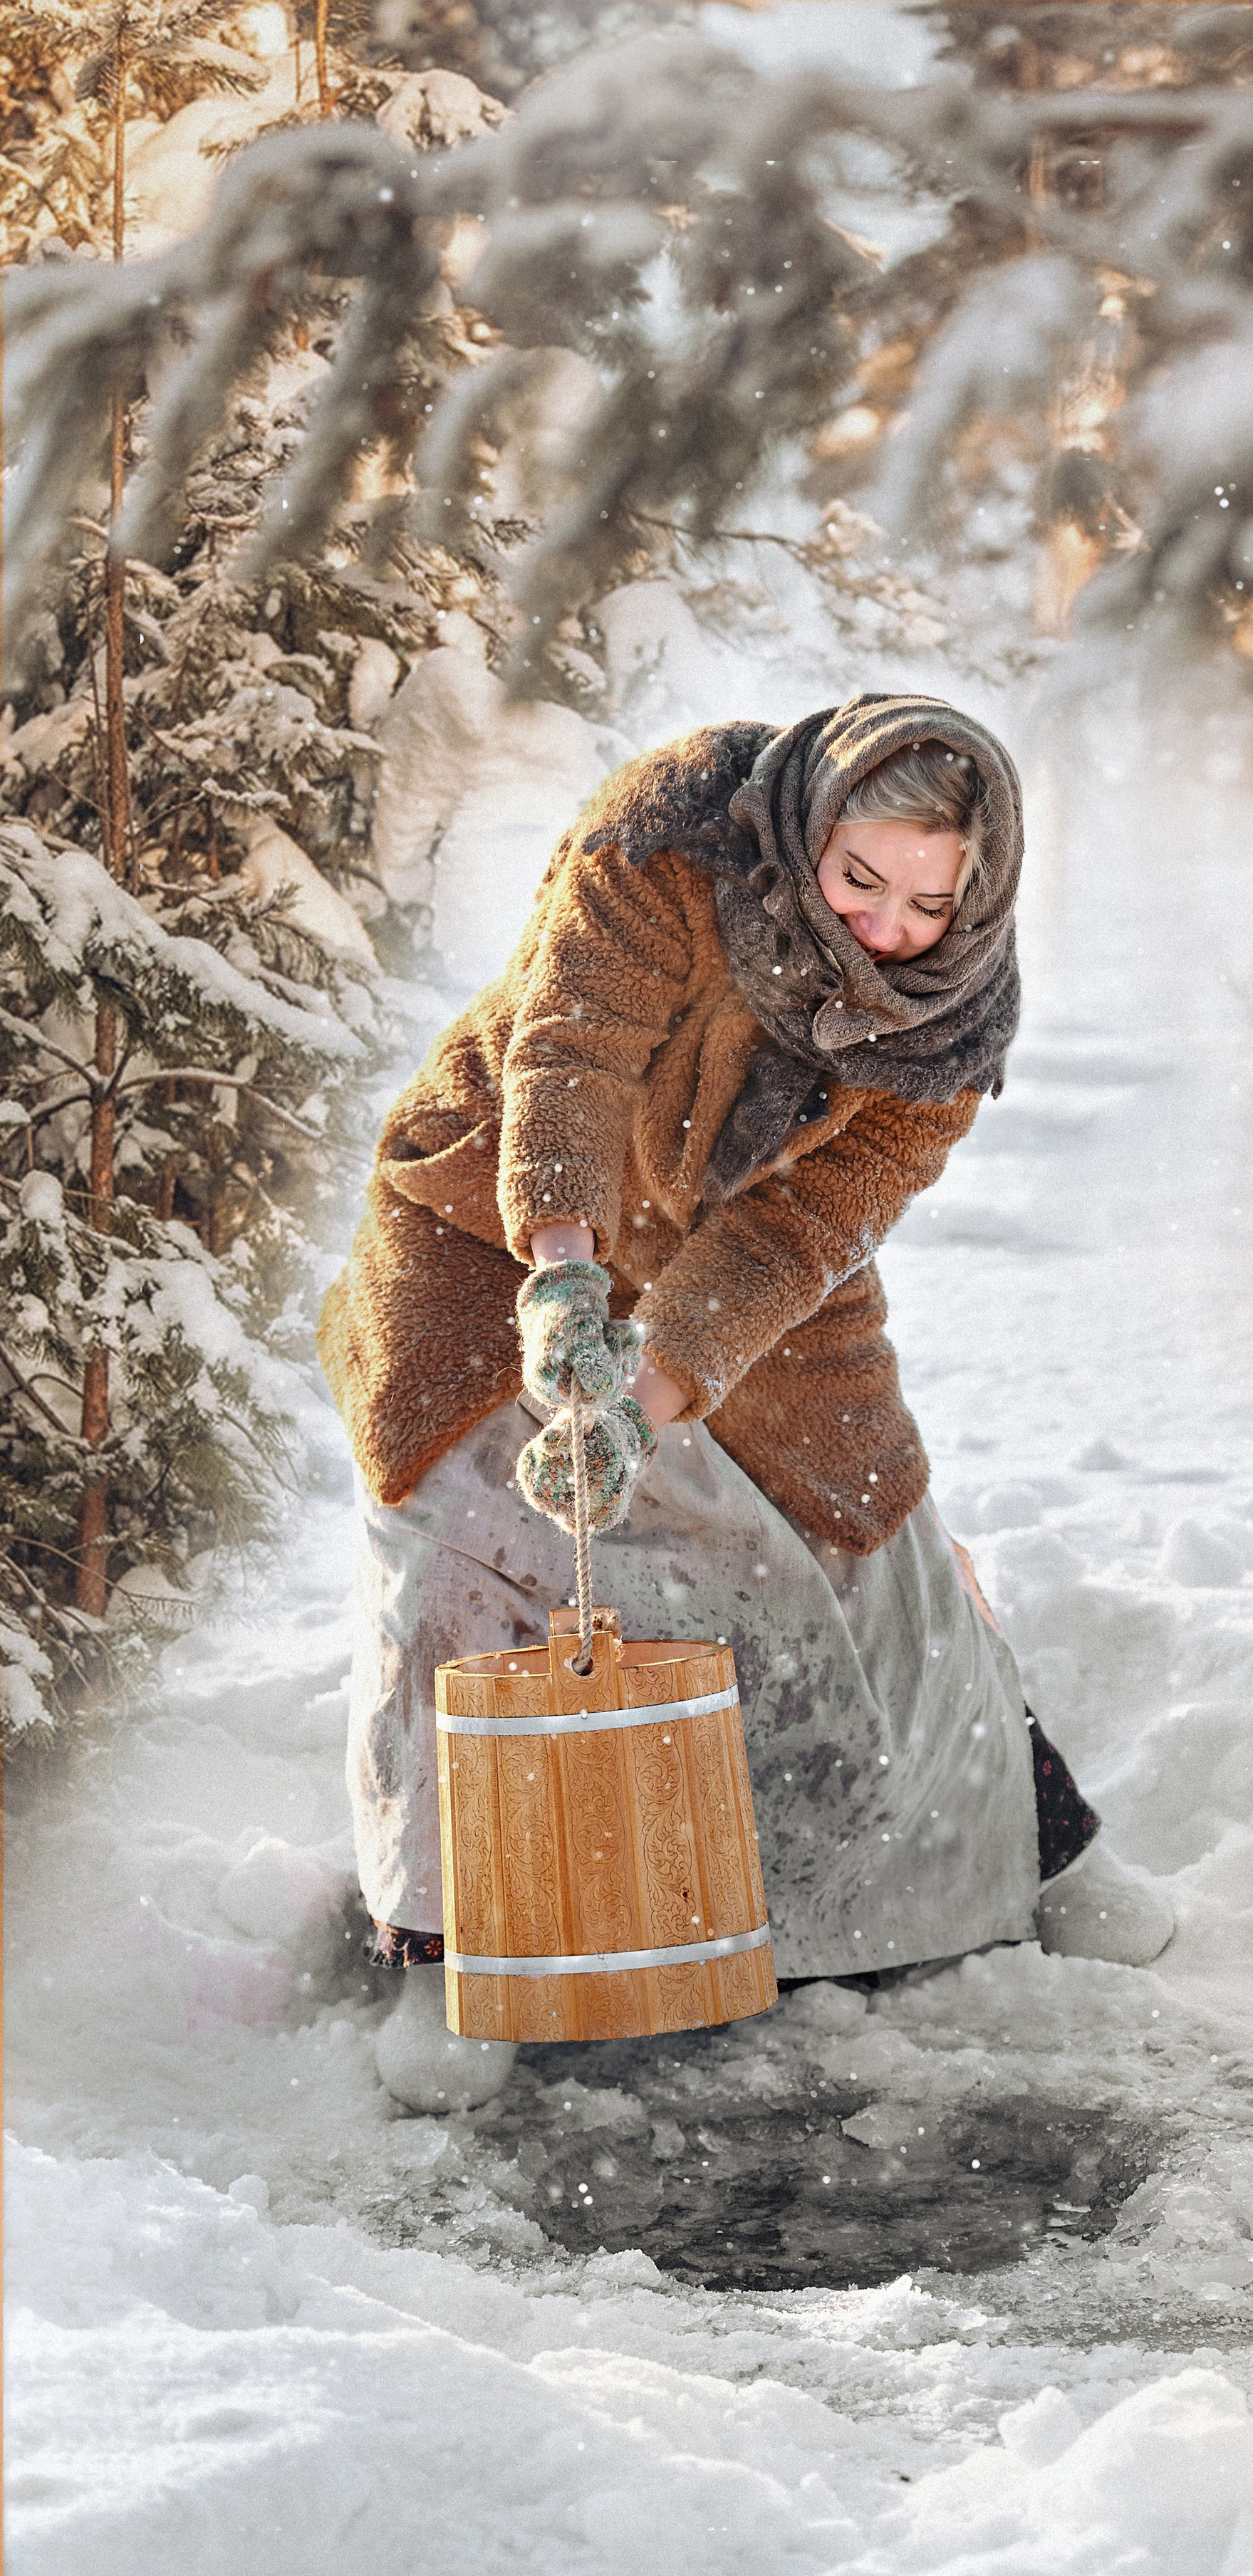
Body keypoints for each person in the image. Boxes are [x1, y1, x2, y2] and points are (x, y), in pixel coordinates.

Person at [319, 692, 1174, 2112]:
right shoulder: (671, 836)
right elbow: (570, 1059)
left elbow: (791, 1241)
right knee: (455, 1500)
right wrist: (564, 1284)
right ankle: (447, 1943)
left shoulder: (947, 1028)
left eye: (925, 899)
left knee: (853, 1495)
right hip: (499, 1213)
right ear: (808, 830)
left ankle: (1021, 1845)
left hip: (738, 1242)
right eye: (856, 879)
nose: (885, 925)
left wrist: (649, 1396)